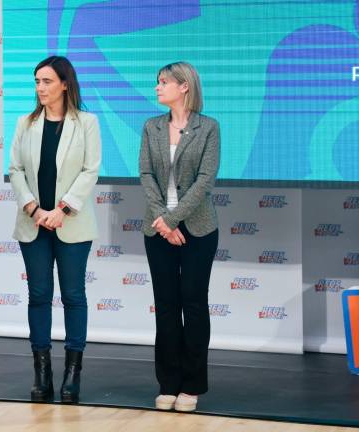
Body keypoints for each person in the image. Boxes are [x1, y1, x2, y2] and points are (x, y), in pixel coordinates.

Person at [8, 56, 101, 404]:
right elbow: (15, 169)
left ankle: (73, 374)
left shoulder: (86, 122)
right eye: (36, 82)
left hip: (71, 223)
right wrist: (33, 207)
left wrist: (61, 209)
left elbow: (90, 170)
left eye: (47, 81)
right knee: (39, 296)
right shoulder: (25, 123)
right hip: (33, 225)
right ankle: (42, 373)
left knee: (74, 296)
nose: (40, 88)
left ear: (64, 83)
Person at [139, 61, 220, 412]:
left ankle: (192, 385)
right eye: (157, 82)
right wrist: (163, 221)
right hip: (158, 229)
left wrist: (172, 219)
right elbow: (145, 173)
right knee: (167, 308)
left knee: (194, 304)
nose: (157, 88)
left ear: (184, 86)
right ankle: (168, 383)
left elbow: (205, 180)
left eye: (164, 82)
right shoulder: (151, 127)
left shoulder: (209, 128)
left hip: (197, 228)